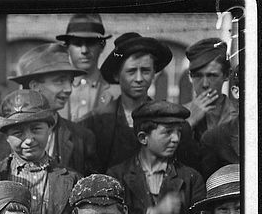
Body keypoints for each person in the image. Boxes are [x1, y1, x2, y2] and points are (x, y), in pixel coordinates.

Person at [83, 32, 198, 173]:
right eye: (131, 71)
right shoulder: (93, 124)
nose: (139, 78)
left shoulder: (176, 126)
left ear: (154, 73)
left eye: (145, 70)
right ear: (116, 75)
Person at [106, 100, 207, 214]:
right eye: (167, 132)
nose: (176, 139)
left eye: (178, 132)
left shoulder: (191, 178)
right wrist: (153, 213)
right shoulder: (117, 176)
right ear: (143, 138)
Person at [0, 43, 98, 175]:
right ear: (35, 86)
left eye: (70, 81)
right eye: (59, 81)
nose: (68, 89)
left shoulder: (82, 138)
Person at [55, 13, 117, 122]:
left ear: (102, 46)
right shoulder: (54, 91)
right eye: (77, 44)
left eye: (91, 43)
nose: (84, 51)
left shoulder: (116, 93)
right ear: (67, 47)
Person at [183, 38, 238, 142]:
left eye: (212, 76)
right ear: (190, 76)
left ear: (227, 75)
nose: (205, 84)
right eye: (198, 76)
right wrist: (189, 122)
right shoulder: (179, 116)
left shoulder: (239, 114)